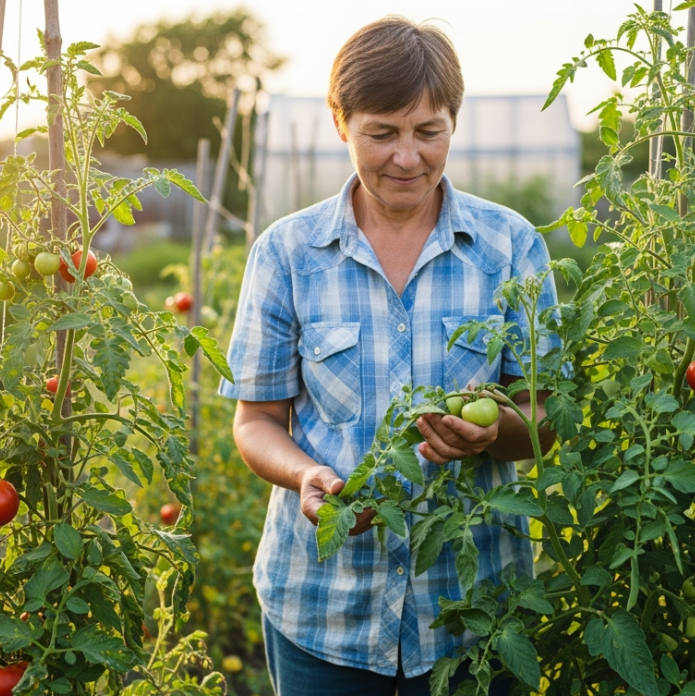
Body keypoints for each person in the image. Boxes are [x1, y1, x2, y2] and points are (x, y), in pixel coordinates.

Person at [218, 16, 557, 696]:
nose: (408, 157)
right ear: (341, 123)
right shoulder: (287, 255)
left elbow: (545, 412)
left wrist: (496, 433)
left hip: (476, 607)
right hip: (324, 605)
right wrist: (306, 474)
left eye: (429, 132)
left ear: (453, 125)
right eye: (382, 133)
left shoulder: (509, 247)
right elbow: (256, 421)